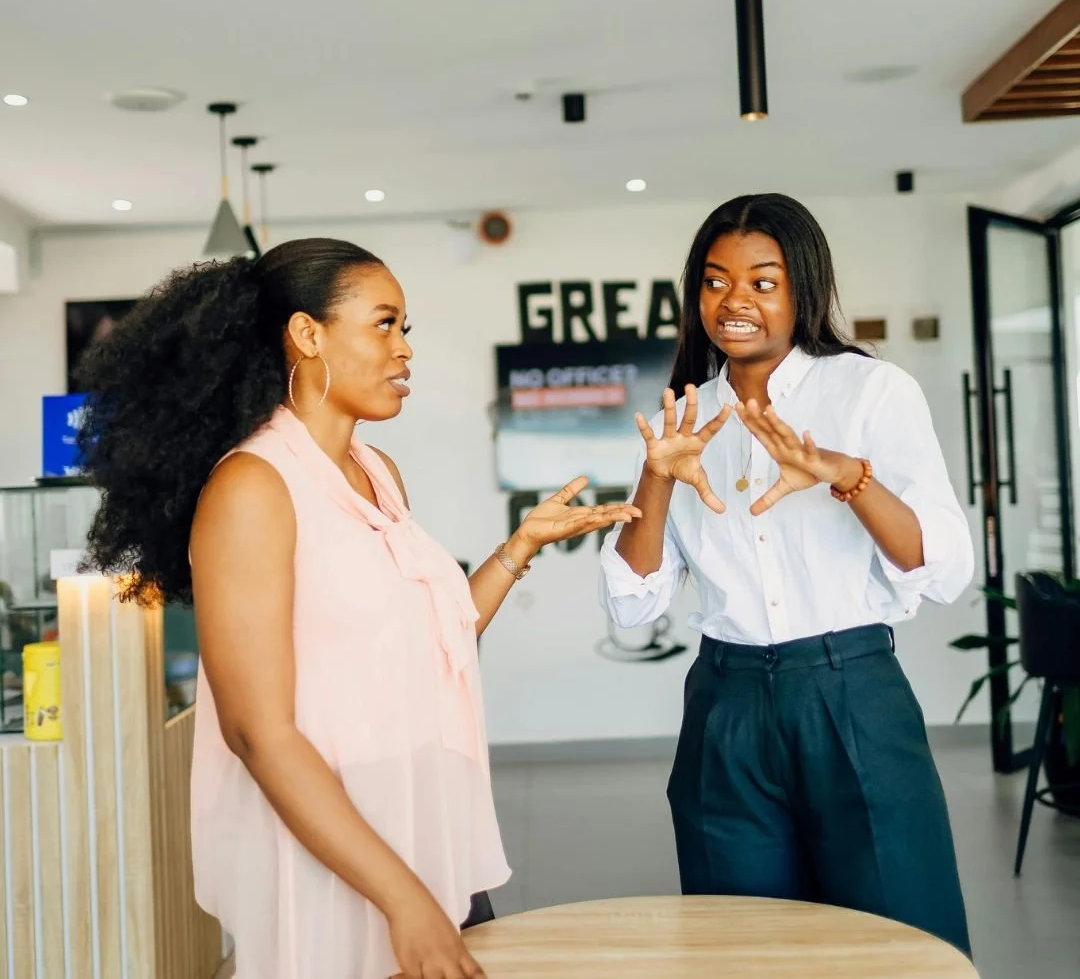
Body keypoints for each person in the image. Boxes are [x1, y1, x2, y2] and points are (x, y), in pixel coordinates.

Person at [76, 238, 640, 979]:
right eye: (385, 324)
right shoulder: (253, 488)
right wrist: (401, 898)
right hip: (338, 850)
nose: (405, 350)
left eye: (406, 329)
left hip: (424, 821)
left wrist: (519, 547)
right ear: (307, 334)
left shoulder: (379, 474)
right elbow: (257, 733)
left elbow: (434, 640)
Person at [598, 194, 974, 956]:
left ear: (802, 289)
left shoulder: (870, 391)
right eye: (715, 281)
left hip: (852, 695)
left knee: (900, 942)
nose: (734, 302)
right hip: (726, 708)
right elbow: (633, 603)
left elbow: (940, 567)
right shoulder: (685, 419)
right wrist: (656, 478)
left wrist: (847, 476)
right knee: (742, 951)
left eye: (762, 282)